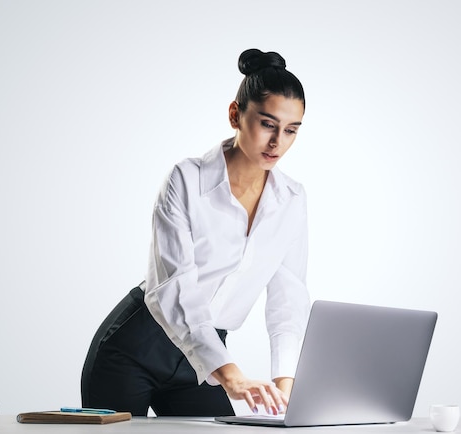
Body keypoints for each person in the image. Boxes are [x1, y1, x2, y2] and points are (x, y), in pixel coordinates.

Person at [81, 48, 310, 417]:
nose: (277, 142)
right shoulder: (186, 180)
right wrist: (233, 376)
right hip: (136, 348)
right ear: (235, 114)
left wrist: (286, 387)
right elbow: (174, 287)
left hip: (202, 363)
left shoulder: (292, 199)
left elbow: (288, 301)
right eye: (268, 124)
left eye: (291, 130)